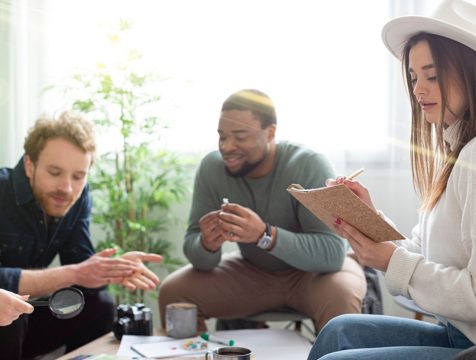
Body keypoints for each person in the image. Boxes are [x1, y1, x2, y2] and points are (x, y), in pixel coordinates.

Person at [308, 0, 476, 359]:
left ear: (473, 74)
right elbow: (429, 256)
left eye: (432, 76)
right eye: (414, 77)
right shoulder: (464, 152)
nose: (417, 90)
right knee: (340, 332)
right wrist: (372, 224)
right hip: (462, 335)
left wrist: (389, 261)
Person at [159, 89, 366, 333]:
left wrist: (264, 235)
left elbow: (331, 256)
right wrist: (206, 244)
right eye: (222, 136)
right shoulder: (212, 168)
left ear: (270, 133)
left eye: (240, 136)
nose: (227, 146)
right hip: (252, 272)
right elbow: (200, 258)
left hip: (313, 276)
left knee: (341, 298)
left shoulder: (308, 164)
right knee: (174, 293)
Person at [0, 112, 163, 359]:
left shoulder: (77, 197)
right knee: (10, 315)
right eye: (55, 172)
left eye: (78, 176)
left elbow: (84, 276)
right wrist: (77, 273)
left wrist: (110, 268)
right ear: (29, 165)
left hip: (25, 318)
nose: (66, 188)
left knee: (100, 306)